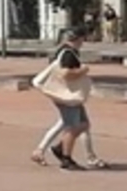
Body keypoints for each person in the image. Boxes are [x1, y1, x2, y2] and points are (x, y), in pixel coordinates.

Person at [30, 29, 105, 170]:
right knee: (72, 127)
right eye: (82, 39)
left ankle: (59, 148)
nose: (83, 42)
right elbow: (66, 74)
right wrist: (83, 70)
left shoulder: (66, 52)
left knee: (83, 124)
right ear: (78, 39)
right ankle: (66, 159)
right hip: (67, 96)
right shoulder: (68, 54)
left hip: (71, 96)